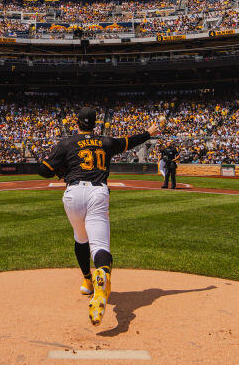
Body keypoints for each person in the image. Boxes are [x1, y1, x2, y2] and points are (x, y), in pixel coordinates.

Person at [38, 106, 164, 326]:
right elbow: (129, 141)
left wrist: (61, 170)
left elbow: (43, 170)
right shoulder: (106, 142)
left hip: (73, 193)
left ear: (77, 123)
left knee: (80, 237)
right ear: (95, 123)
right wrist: (149, 132)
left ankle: (87, 281)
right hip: (97, 191)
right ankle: (102, 275)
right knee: (99, 246)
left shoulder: (66, 143)